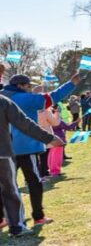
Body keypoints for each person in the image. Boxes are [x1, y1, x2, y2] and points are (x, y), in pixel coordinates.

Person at [0, 72, 80, 226]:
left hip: (3, 150)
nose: (30, 89)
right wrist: (71, 84)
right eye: (28, 86)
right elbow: (51, 98)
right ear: (20, 86)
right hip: (24, 147)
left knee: (5, 184)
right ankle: (38, 216)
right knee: (34, 182)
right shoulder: (25, 98)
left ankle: (2, 218)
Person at [0, 94, 64, 237]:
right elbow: (24, 124)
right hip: (3, 153)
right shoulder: (3, 101)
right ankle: (17, 227)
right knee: (10, 191)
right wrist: (49, 138)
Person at [48, 104, 80, 176]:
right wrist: (76, 122)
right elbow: (68, 127)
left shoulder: (49, 118)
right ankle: (55, 171)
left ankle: (52, 170)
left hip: (51, 140)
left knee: (52, 155)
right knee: (57, 157)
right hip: (59, 140)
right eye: (59, 110)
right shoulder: (57, 120)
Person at [38, 105, 61, 178]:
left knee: (37, 157)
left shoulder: (29, 109)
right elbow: (55, 123)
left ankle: (40, 172)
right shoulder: (45, 111)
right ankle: (43, 173)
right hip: (46, 135)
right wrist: (57, 113)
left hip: (34, 135)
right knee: (45, 156)